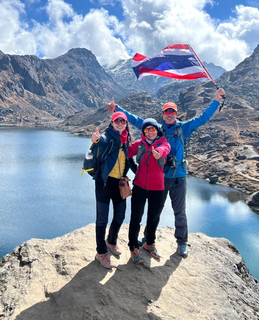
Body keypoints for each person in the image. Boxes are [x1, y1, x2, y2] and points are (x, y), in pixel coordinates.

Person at [108, 88, 226, 257]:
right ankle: (149, 240)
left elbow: (203, 119)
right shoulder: (156, 129)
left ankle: (182, 242)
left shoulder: (183, 128)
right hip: (160, 178)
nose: (169, 114)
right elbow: (135, 120)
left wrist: (216, 101)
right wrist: (117, 108)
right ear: (162, 114)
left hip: (179, 176)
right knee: (156, 211)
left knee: (180, 211)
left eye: (172, 112)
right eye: (166, 112)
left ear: (176, 114)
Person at [90, 111, 133, 268]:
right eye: (117, 121)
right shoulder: (108, 136)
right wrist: (95, 139)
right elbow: (101, 140)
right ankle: (101, 252)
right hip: (104, 183)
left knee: (120, 216)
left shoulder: (127, 139)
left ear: (126, 123)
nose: (120, 123)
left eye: (123, 121)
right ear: (112, 123)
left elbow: (130, 160)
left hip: (119, 183)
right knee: (102, 219)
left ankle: (111, 241)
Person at [127, 118, 171, 264]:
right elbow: (126, 153)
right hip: (139, 186)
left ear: (157, 130)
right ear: (143, 132)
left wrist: (158, 152)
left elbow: (166, 149)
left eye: (153, 129)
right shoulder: (139, 145)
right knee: (136, 218)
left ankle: (149, 243)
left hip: (157, 187)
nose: (150, 132)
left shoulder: (163, 143)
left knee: (153, 217)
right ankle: (133, 247)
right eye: (147, 130)